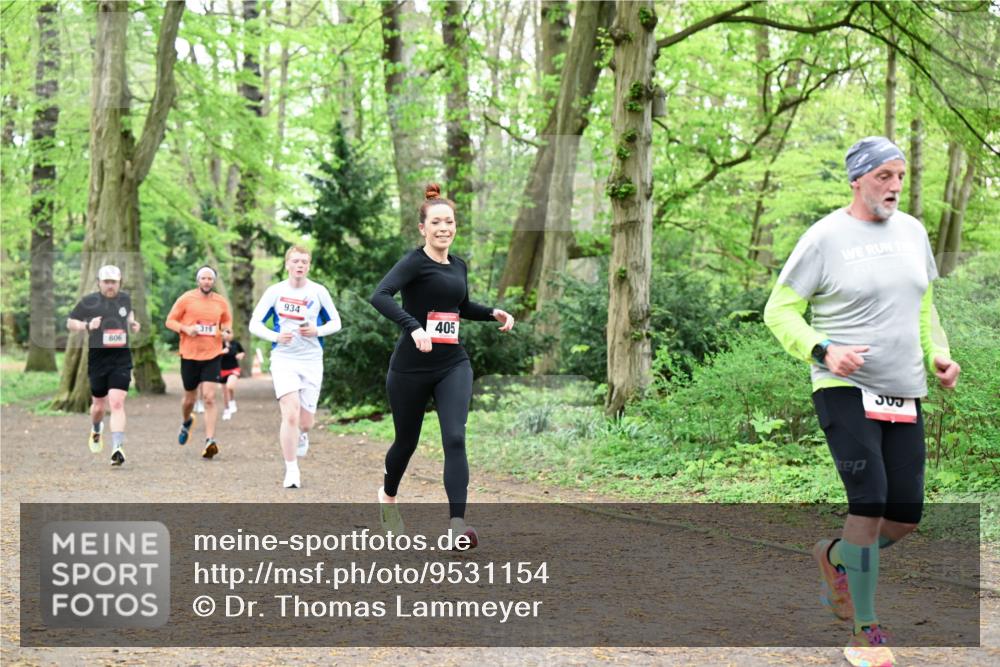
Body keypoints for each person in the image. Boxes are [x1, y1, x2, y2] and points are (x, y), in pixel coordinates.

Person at [763, 137, 961, 667]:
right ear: (857, 179)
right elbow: (779, 311)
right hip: (843, 387)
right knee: (869, 500)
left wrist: (939, 355)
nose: (894, 186)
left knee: (904, 516)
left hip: (904, 389)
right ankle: (866, 633)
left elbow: (923, 308)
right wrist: (824, 350)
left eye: (900, 176)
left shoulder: (914, 232)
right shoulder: (825, 238)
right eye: (883, 176)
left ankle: (835, 557)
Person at [370, 183, 515, 548]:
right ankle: (388, 499)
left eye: (448, 222)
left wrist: (491, 313)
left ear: (455, 226)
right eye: (436, 222)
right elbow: (380, 295)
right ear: (423, 228)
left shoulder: (459, 266)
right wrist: (413, 327)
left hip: (453, 363)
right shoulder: (413, 262)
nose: (443, 228)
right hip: (410, 368)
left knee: (454, 436)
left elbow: (460, 308)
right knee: (407, 441)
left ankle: (456, 526)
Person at [249, 246, 341, 488]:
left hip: (311, 360)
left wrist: (317, 330)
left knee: (306, 422)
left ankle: (302, 434)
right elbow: (254, 324)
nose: (300, 265)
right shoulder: (275, 291)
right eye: (296, 261)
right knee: (290, 413)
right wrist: (274, 336)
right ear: (287, 264)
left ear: (308, 266)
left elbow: (336, 322)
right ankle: (292, 470)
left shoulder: (318, 291)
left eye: (304, 261)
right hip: (284, 359)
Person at [66, 265, 141, 466]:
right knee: (99, 405)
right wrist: (87, 326)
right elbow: (71, 322)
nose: (110, 286)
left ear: (119, 283)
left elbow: (129, 314)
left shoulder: (125, 298)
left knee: (116, 403)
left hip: (121, 359)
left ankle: (117, 448)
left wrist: (133, 323)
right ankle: (97, 428)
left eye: (113, 282)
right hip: (98, 360)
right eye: (106, 282)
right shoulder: (89, 302)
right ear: (99, 282)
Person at [165, 266, 232, 459]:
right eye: (203, 278)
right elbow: (170, 321)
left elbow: (227, 326)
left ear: (214, 281)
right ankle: (186, 421)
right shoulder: (186, 299)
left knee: (210, 397)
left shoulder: (221, 302)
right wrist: (186, 329)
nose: (207, 282)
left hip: (213, 355)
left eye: (210, 279)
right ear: (198, 280)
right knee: (189, 400)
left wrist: (225, 332)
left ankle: (210, 440)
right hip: (189, 355)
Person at [219, 328, 245, 421]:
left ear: (232, 334)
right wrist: (221, 352)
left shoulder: (235, 343)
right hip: (222, 370)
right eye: (224, 332)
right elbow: (212, 354)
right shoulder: (218, 344)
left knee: (230, 386)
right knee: (225, 391)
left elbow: (242, 351)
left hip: (234, 368)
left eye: (229, 332)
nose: (226, 334)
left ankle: (232, 401)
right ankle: (227, 409)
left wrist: (241, 355)